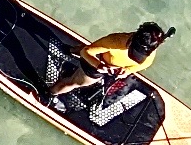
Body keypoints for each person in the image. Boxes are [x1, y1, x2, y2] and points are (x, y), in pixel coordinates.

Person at [43, 22, 174, 109]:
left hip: (113, 65)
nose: (137, 55)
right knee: (75, 82)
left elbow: (136, 65)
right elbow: (86, 52)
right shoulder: (114, 41)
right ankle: (50, 94)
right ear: (133, 38)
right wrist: (99, 66)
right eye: (134, 49)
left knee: (88, 48)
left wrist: (127, 71)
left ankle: (71, 50)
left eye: (142, 53)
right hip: (98, 64)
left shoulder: (151, 43)